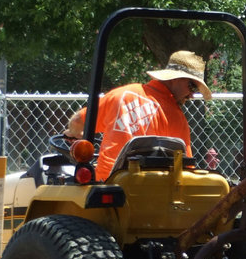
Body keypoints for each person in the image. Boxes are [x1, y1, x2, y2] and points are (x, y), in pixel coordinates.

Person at [63, 50, 212, 181]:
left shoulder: (121, 95)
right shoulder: (177, 119)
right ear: (175, 79)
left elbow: (77, 121)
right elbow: (186, 169)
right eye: (192, 86)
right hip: (146, 193)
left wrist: (75, 133)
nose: (192, 94)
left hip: (107, 182)